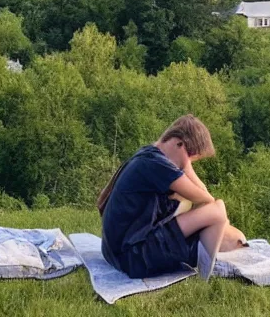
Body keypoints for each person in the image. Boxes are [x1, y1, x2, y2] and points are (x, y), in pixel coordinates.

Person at [97, 115, 246, 281]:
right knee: (218, 210)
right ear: (178, 143)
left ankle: (203, 255)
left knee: (235, 237)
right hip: (133, 258)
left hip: (117, 252)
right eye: (190, 155)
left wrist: (184, 159)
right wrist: (186, 165)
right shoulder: (157, 164)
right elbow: (205, 198)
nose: (189, 162)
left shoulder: (148, 155)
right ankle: (205, 273)